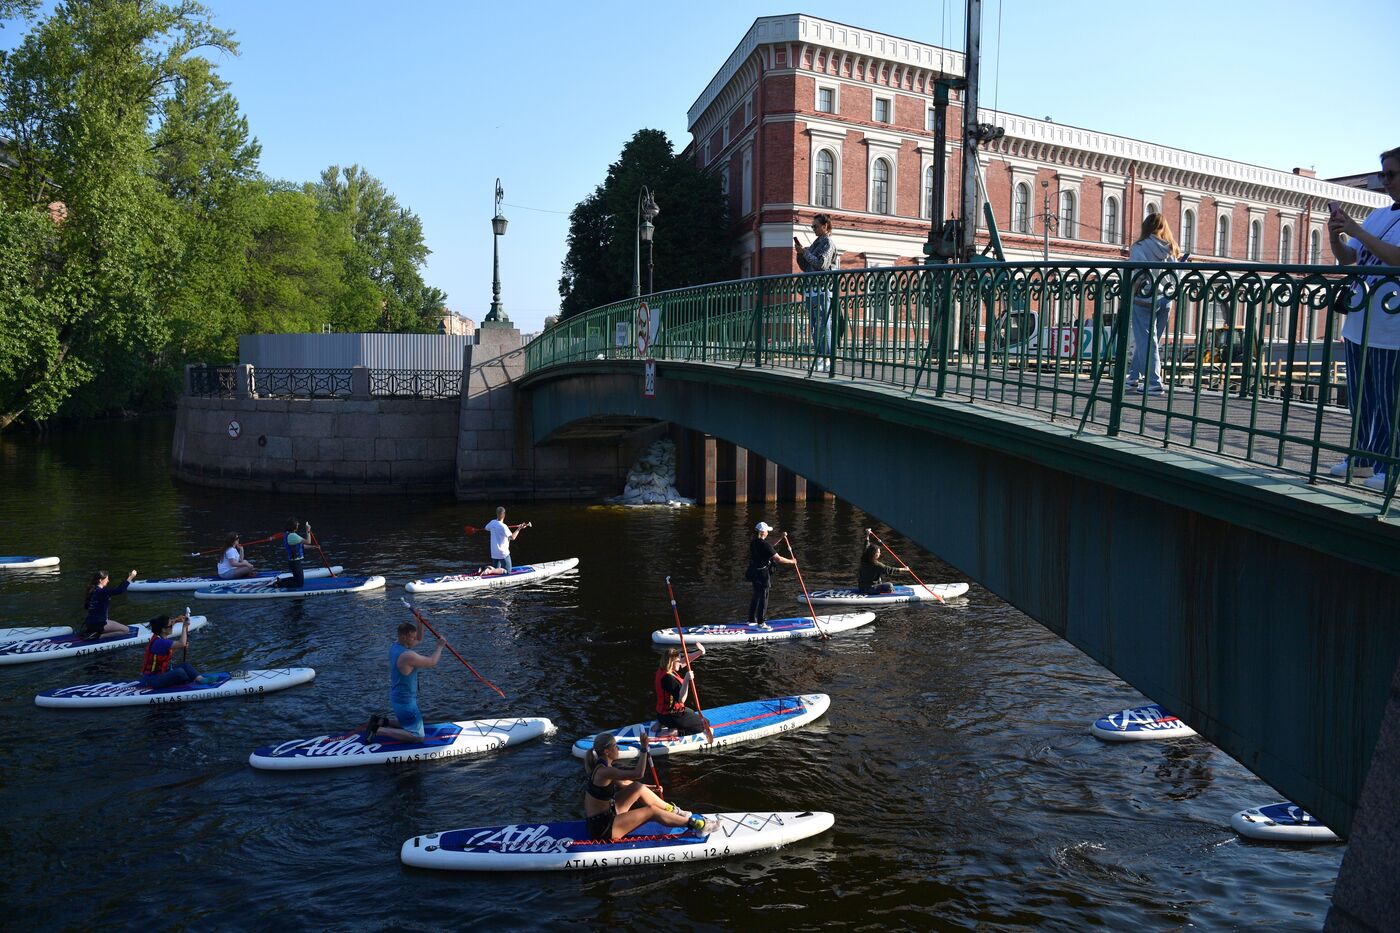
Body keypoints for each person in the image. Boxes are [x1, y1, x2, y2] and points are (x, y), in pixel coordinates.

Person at [1328, 147, 1400, 491]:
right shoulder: (1377, 215)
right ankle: (1362, 458)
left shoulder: (1369, 224)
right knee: (1361, 395)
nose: (1385, 182)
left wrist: (1357, 232)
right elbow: (1350, 260)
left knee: (1390, 397)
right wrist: (1337, 234)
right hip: (1360, 317)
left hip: (1392, 323)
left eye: (1392, 175)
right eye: (1382, 175)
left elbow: (1396, 258)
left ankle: (1391, 464)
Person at [583, 732, 707, 840]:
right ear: (607, 752)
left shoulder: (603, 768)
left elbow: (625, 783)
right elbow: (638, 773)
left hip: (608, 815)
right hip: (603, 829)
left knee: (637, 787)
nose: (618, 749)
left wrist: (648, 788)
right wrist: (643, 748)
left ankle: (676, 812)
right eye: (615, 746)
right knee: (652, 811)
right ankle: (697, 825)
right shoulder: (604, 772)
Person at [1126, 213, 1182, 397]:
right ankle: (1133, 377)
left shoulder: (1139, 247)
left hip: (1144, 298)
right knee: (1150, 341)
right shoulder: (1172, 249)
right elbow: (1177, 277)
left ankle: (1154, 382)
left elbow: (1136, 274)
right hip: (1166, 299)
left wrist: (1129, 294)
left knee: (1146, 341)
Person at [364, 619, 444, 744]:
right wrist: (439, 647)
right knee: (418, 736)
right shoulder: (408, 656)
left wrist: (419, 623)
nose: (415, 639)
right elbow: (432, 662)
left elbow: (419, 640)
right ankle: (378, 729)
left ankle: (380, 721)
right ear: (403, 636)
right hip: (405, 702)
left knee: (408, 723)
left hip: (398, 697)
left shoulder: (395, 646)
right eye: (412, 637)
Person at [795, 214, 839, 371]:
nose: (813, 228)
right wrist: (800, 254)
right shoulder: (815, 243)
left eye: (815, 226)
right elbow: (806, 266)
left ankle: (826, 360)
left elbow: (821, 263)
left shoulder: (828, 242)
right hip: (811, 289)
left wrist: (805, 253)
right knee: (814, 324)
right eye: (812, 226)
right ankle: (819, 357)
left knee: (823, 323)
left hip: (822, 288)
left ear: (825, 226)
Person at [139, 614, 216, 689]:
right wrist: (185, 626)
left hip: (161, 673)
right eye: (171, 626)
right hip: (152, 680)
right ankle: (189, 681)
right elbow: (182, 643)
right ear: (163, 629)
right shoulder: (160, 642)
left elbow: (166, 655)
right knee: (180, 672)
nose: (172, 627)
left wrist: (176, 620)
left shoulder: (159, 637)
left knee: (185, 665)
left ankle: (201, 680)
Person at [654, 645, 712, 741]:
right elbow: (682, 699)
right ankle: (674, 732)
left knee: (691, 712)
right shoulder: (668, 679)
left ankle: (660, 722)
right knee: (704, 724)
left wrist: (700, 652)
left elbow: (684, 662)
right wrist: (686, 680)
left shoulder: (664, 670)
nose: (680, 662)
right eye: (678, 660)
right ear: (671, 663)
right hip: (671, 715)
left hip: (662, 714)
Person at [745, 521, 796, 627]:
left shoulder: (754, 541)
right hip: (762, 574)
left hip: (754, 572)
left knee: (756, 595)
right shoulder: (764, 544)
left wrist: (781, 538)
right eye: (767, 531)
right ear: (763, 532)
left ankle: (751, 620)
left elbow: (770, 546)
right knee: (764, 596)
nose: (768, 532)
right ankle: (761, 622)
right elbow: (778, 559)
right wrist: (792, 561)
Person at [81, 569, 138, 639]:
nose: (108, 581)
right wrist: (130, 577)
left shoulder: (91, 590)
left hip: (89, 624)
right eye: (107, 579)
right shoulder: (103, 591)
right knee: (126, 630)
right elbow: (119, 590)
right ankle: (98, 636)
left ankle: (94, 632)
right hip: (100, 624)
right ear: (100, 580)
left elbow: (87, 606)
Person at [484, 506, 529, 572]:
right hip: (503, 554)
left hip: (494, 553)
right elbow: (512, 537)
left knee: (495, 571)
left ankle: (488, 569)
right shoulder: (504, 527)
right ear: (504, 515)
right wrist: (519, 528)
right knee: (508, 572)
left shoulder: (492, 522)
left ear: (497, 514)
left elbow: (486, 528)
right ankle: (489, 571)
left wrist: (495, 528)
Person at [275, 518, 309, 589]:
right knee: (299, 584)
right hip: (295, 562)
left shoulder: (288, 534)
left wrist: (314, 547)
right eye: (297, 524)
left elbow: (301, 546)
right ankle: (279, 584)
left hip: (293, 561)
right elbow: (308, 541)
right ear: (293, 526)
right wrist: (308, 530)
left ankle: (280, 581)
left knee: (297, 579)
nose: (298, 525)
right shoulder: (292, 536)